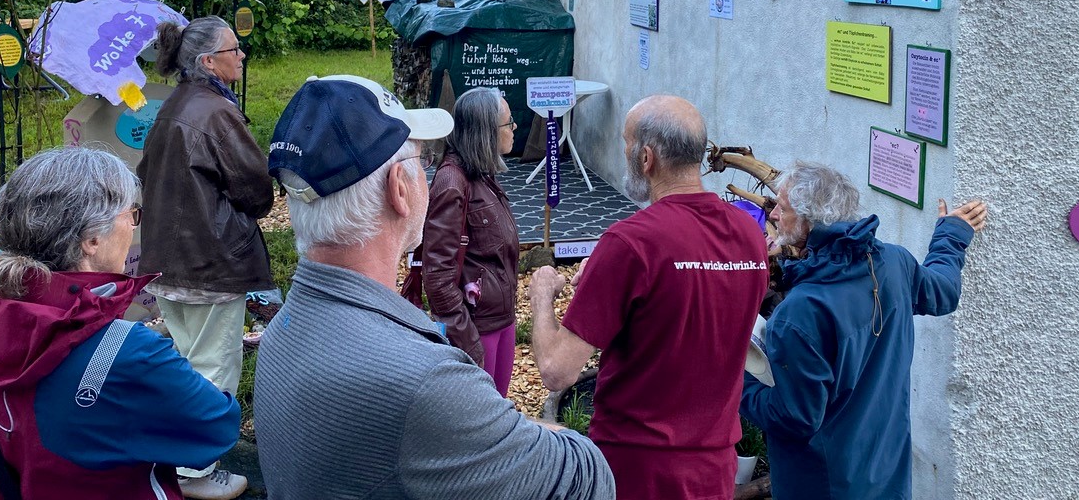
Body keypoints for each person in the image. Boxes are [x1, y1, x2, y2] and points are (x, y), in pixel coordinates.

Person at [255, 75, 615, 500]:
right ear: (399, 190)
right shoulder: (425, 382)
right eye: (422, 159)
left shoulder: (280, 333)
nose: (433, 169)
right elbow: (591, 479)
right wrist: (525, 429)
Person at [0, 147, 242, 500]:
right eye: (132, 214)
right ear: (92, 239)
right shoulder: (125, 353)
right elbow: (216, 427)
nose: (133, 227)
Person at [529, 95, 769, 500]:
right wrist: (612, 287)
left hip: (638, 469)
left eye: (626, 146)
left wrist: (540, 296)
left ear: (646, 158)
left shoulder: (630, 243)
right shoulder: (749, 235)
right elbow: (694, 305)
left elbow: (556, 370)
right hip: (715, 467)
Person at [739, 162, 988, 500]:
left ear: (808, 219)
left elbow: (793, 418)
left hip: (820, 486)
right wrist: (951, 234)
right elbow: (943, 291)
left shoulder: (800, 312)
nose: (774, 216)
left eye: (782, 207)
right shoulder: (893, 263)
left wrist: (740, 381)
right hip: (887, 476)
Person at [137, 16, 273, 499]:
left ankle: (172, 456)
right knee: (213, 368)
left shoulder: (176, 102)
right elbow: (256, 188)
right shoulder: (216, 111)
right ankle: (195, 472)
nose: (242, 55)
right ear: (207, 61)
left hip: (165, 259)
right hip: (208, 263)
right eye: (234, 49)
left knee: (183, 363)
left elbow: (144, 170)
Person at [422, 86, 520, 394]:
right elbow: (437, 277)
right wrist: (468, 340)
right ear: (486, 132)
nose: (514, 128)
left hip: (501, 319)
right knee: (481, 419)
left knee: (498, 406)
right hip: (477, 330)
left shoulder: (482, 175)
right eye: (508, 123)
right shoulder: (453, 182)